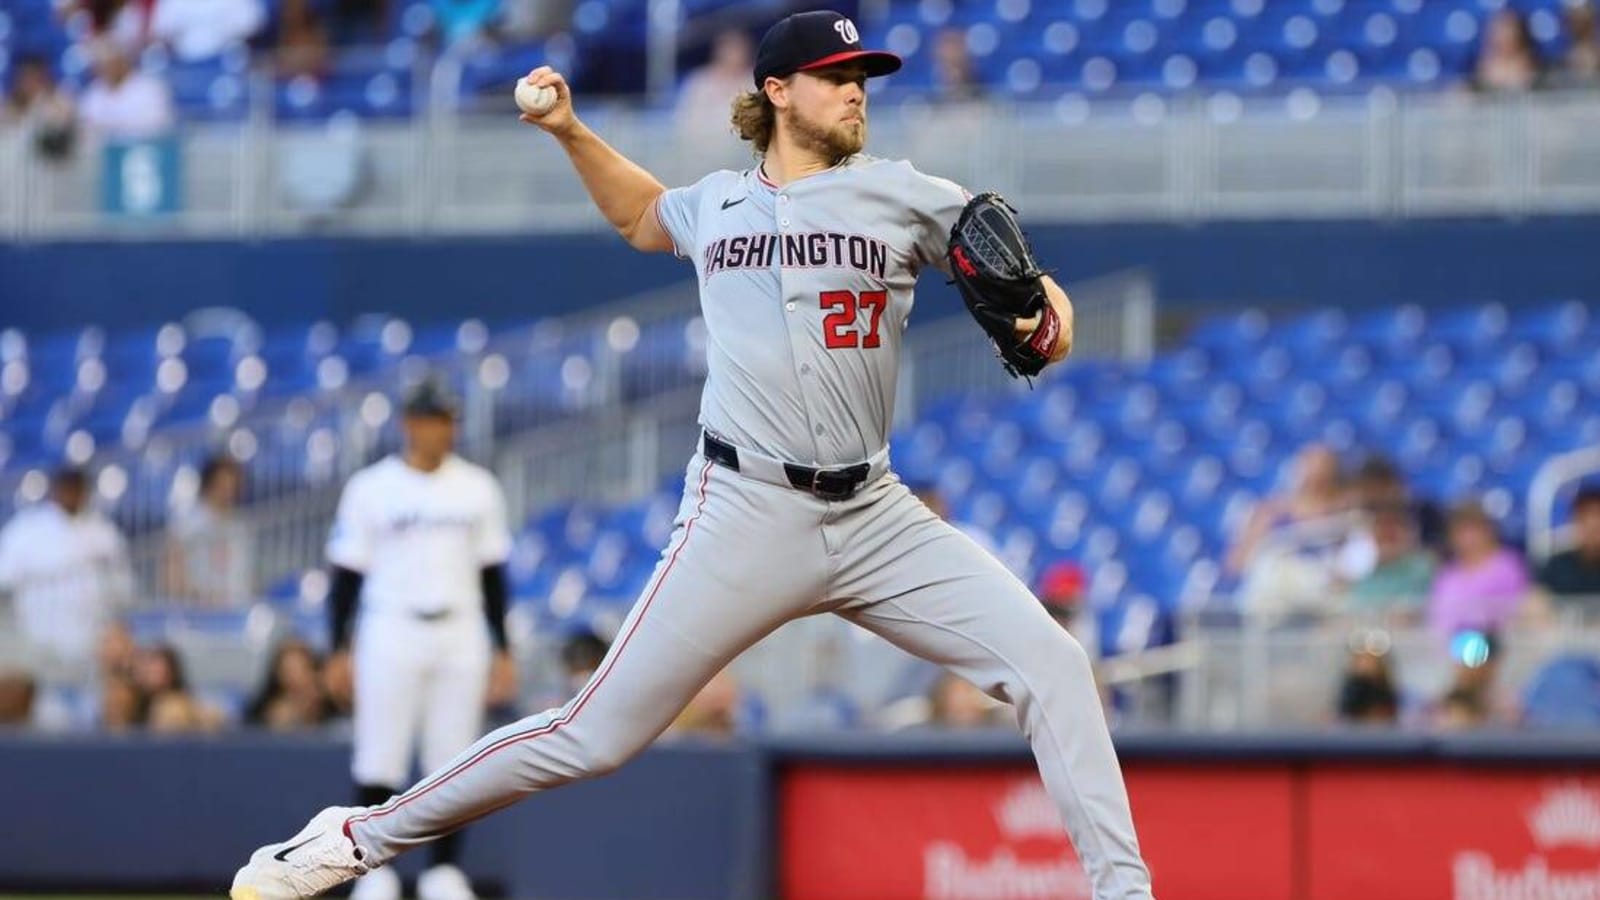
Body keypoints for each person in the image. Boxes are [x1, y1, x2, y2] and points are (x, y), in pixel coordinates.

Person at [230, 11, 1155, 900]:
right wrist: (569, 129)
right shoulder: (717, 203)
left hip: (876, 514)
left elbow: (1033, 290)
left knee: (1055, 666)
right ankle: (355, 838)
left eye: (863, 80)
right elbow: (643, 217)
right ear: (778, 92)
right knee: (592, 735)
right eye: (837, 79)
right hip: (743, 509)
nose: (857, 93)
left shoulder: (908, 193)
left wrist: (1048, 321)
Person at [313, 379, 516, 900]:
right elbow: (346, 577)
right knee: (379, 754)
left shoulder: (477, 487)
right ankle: (373, 869)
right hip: (390, 625)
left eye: (448, 419)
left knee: (453, 759)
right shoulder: (371, 487)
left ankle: (443, 872)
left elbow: (493, 574)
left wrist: (503, 648)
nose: (441, 429)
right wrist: (337, 648)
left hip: (460, 627)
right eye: (432, 419)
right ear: (409, 423)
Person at [0, 467, 133, 674]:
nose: (71, 494)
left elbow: (123, 586)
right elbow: (5, 579)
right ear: (55, 490)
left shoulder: (104, 532)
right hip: (37, 638)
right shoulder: (25, 528)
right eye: (67, 488)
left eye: (77, 488)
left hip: (92, 642)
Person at [1428, 500, 1531, 640]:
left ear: (1488, 530)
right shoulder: (1447, 572)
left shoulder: (1508, 565)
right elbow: (1437, 614)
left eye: (1472, 530)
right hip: (1447, 646)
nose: (1467, 538)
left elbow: (1515, 610)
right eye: (1460, 531)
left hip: (1494, 646)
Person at [164, 454, 256, 608]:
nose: (227, 492)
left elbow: (246, 573)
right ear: (209, 485)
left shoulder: (240, 527)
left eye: (232, 487)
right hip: (196, 611)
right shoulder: (187, 524)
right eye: (222, 486)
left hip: (234, 610)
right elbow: (173, 567)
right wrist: (189, 594)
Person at [1343, 501, 1434, 623]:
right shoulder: (1359, 570)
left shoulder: (1425, 568)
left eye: (1393, 529)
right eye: (1381, 529)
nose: (1386, 535)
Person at [77, 41, 175, 141]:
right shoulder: (93, 92)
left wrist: (113, 127)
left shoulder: (150, 88)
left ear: (122, 61)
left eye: (111, 63)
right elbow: (87, 126)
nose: (106, 69)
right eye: (101, 64)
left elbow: (158, 124)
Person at [1534, 485, 1600, 616]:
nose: (1592, 526)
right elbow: (1537, 601)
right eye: (1585, 518)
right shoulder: (1557, 564)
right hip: (1565, 633)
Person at [247, 639, 335, 732]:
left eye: (301, 668)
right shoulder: (268, 711)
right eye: (289, 670)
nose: (295, 676)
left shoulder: (327, 700)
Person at [3, 56, 78, 162]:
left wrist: (42, 101)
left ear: (44, 78)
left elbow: (62, 124)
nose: (29, 83)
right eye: (25, 78)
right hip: (15, 167)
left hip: (48, 167)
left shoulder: (57, 101)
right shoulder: (11, 104)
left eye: (34, 77)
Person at [1472, 9, 1543, 94]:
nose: (1504, 37)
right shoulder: (1482, 70)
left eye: (1509, 31)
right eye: (1498, 31)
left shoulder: (1535, 69)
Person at [931, 28, 984, 103]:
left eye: (956, 63)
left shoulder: (985, 101)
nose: (953, 74)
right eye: (947, 64)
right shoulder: (924, 103)